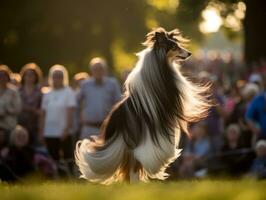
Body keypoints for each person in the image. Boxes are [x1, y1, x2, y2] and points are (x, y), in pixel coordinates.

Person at [39, 65, 77, 173]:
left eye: (60, 76)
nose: (57, 78)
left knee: (67, 158)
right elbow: (43, 114)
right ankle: (55, 181)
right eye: (55, 76)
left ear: (63, 77)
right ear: (51, 77)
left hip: (64, 131)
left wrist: (66, 129)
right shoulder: (47, 93)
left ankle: (68, 180)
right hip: (49, 132)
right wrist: (41, 132)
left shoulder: (68, 92)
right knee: (53, 158)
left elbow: (70, 112)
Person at [78, 57, 121, 139]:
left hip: (107, 127)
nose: (98, 71)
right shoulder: (85, 84)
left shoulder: (112, 84)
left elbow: (118, 103)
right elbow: (77, 103)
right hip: (88, 128)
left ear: (105, 70)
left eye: (100, 68)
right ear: (91, 70)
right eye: (95, 69)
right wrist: (79, 118)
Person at [18, 63, 43, 146]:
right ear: (23, 76)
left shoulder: (40, 92)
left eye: (32, 75)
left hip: (34, 126)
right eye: (27, 74)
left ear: (36, 77)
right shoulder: (17, 91)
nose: (29, 77)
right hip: (19, 125)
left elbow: (41, 111)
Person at [0, 65, 22, 149]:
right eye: (0, 76)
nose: (2, 78)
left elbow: (18, 108)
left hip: (9, 125)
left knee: (9, 148)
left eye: (4, 76)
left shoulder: (13, 92)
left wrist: (7, 111)